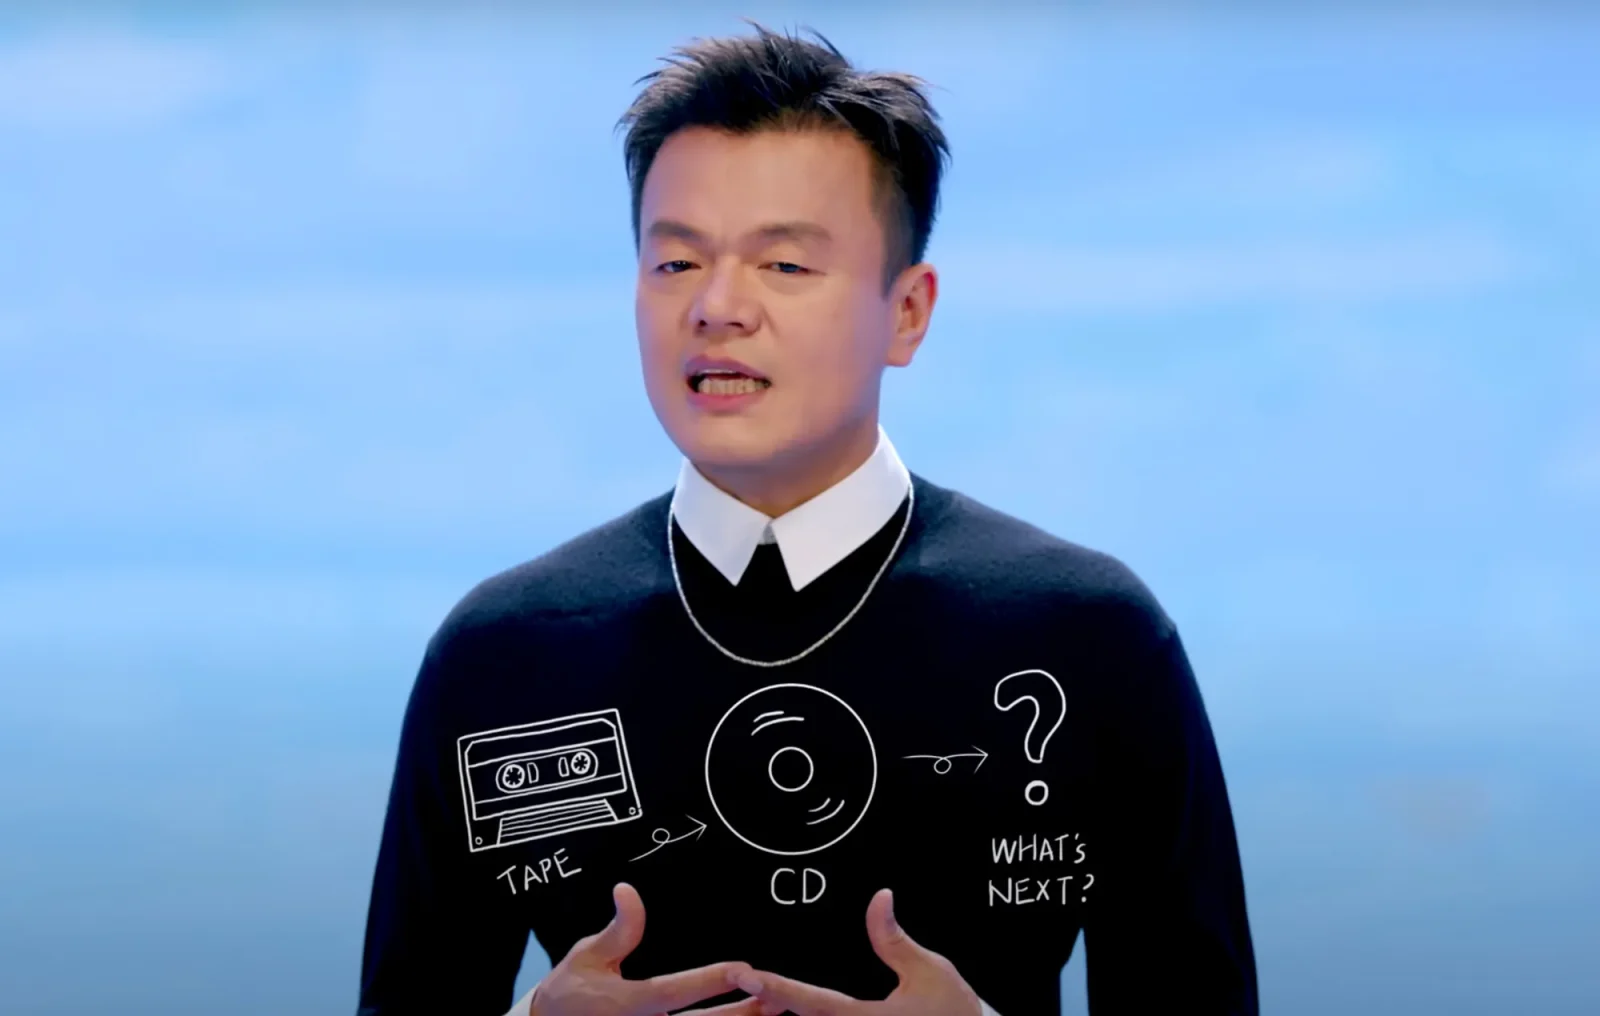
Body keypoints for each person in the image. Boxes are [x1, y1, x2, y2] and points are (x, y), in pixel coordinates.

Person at [357, 22, 1258, 1016]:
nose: (718, 307)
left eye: (784, 265)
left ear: (906, 313)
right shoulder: (503, 653)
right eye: (676, 263)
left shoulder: (1089, 635)